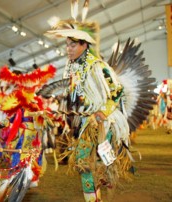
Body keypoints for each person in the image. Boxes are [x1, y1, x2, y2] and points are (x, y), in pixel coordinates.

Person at [45, 8, 131, 202]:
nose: (68, 49)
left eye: (73, 45)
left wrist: (100, 114)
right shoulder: (73, 66)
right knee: (88, 165)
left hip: (100, 122)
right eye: (67, 45)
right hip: (84, 123)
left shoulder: (97, 65)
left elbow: (117, 90)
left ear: (84, 45)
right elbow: (75, 96)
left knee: (85, 163)